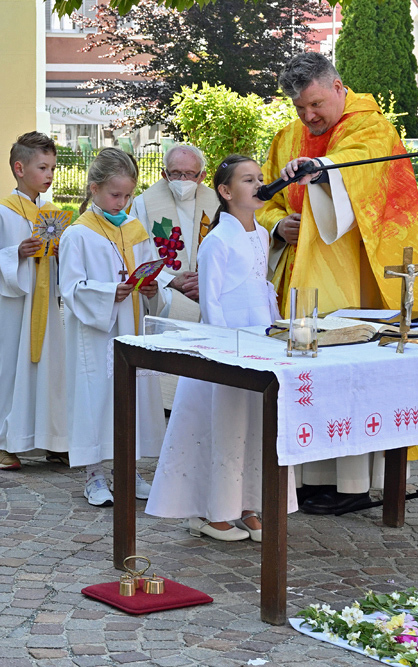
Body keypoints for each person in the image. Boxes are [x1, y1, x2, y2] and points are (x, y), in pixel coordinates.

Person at [257, 52, 418, 515]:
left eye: (315, 104)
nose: (308, 116)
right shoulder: (288, 137)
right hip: (298, 274)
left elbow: (356, 165)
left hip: (355, 278)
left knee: (348, 371)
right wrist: (278, 226)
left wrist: (322, 168)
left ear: (337, 87)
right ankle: (306, 478)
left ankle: (353, 484)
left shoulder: (371, 126)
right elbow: (265, 200)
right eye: (299, 107)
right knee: (304, 374)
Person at [146, 155, 298, 541]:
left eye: (260, 178)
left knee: (253, 426)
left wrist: (275, 328)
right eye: (248, 180)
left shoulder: (262, 235)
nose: (259, 184)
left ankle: (247, 505)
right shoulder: (216, 241)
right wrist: (222, 353)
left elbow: (261, 287)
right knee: (225, 427)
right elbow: (212, 302)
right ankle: (212, 511)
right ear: (226, 192)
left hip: (257, 341)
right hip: (228, 346)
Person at [59, 147, 173, 507]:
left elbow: (153, 274)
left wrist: (152, 289)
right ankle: (93, 474)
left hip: (131, 326)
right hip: (96, 333)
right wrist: (111, 292)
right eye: (114, 194)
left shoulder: (135, 230)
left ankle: (129, 470)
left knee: (132, 398)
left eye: (127, 195)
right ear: (94, 189)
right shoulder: (78, 234)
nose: (121, 202)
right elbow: (71, 288)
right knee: (96, 398)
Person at [0, 132, 69, 471]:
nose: (49, 174)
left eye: (52, 168)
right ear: (19, 168)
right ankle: (0, 442)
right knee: (7, 371)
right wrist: (17, 253)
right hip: (12, 308)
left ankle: (52, 440)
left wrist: (61, 254)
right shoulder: (0, 213)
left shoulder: (52, 214)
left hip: (45, 307)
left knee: (49, 371)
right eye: (42, 167)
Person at [131, 143, 220, 409]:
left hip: (208, 290)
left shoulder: (218, 204)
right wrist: (171, 280)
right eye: (175, 173)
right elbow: (137, 254)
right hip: (165, 290)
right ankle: (163, 404)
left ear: (202, 176)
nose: (183, 180)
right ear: (163, 174)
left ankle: (204, 400)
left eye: (190, 174)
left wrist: (206, 281)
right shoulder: (143, 204)